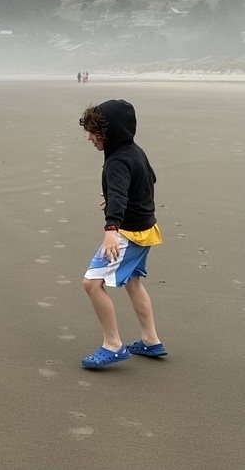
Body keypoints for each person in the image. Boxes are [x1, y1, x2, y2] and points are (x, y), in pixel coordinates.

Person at [78, 99, 166, 369]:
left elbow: (118, 193)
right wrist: (124, 201)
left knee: (92, 283)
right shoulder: (134, 151)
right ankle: (151, 341)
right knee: (133, 281)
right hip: (146, 229)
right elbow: (148, 180)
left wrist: (111, 229)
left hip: (128, 234)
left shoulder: (116, 161)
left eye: (95, 133)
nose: (90, 138)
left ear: (111, 132)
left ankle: (113, 345)